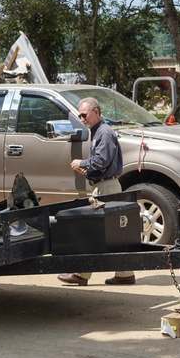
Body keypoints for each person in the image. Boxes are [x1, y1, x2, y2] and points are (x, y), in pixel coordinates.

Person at [57, 97, 135, 286]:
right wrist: (89, 170)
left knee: (91, 230)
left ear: (96, 113)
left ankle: (81, 274)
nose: (81, 118)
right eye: (79, 115)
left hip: (105, 188)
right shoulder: (98, 131)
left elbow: (102, 160)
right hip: (105, 184)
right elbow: (102, 163)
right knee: (114, 231)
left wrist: (81, 163)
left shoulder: (104, 133)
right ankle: (125, 274)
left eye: (84, 115)